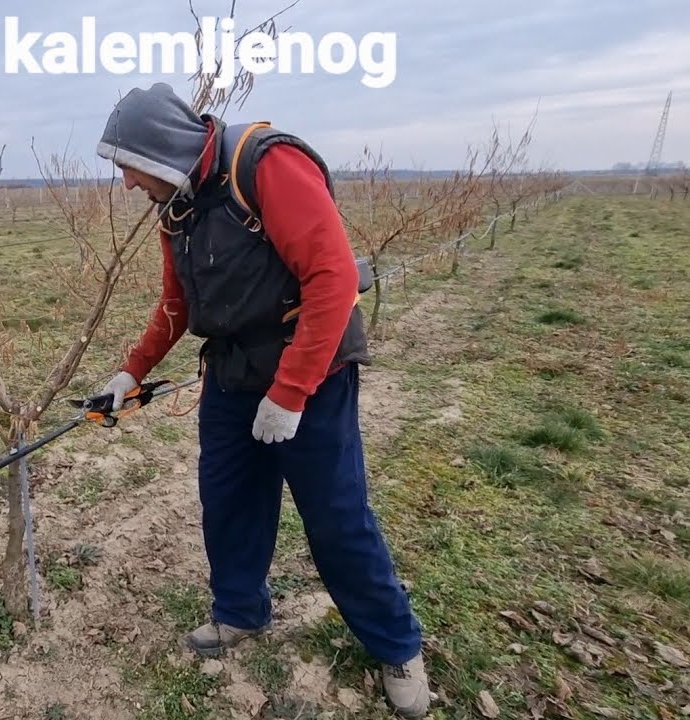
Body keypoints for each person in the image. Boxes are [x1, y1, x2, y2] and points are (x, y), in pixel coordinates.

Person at [93, 82, 431, 719]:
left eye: (128, 167)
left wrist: (292, 390)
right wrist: (130, 372)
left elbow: (331, 275)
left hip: (312, 370)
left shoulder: (266, 165)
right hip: (232, 370)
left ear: (160, 151)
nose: (127, 185)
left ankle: (397, 645)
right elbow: (178, 303)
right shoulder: (178, 206)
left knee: (336, 518)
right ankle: (239, 613)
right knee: (228, 501)